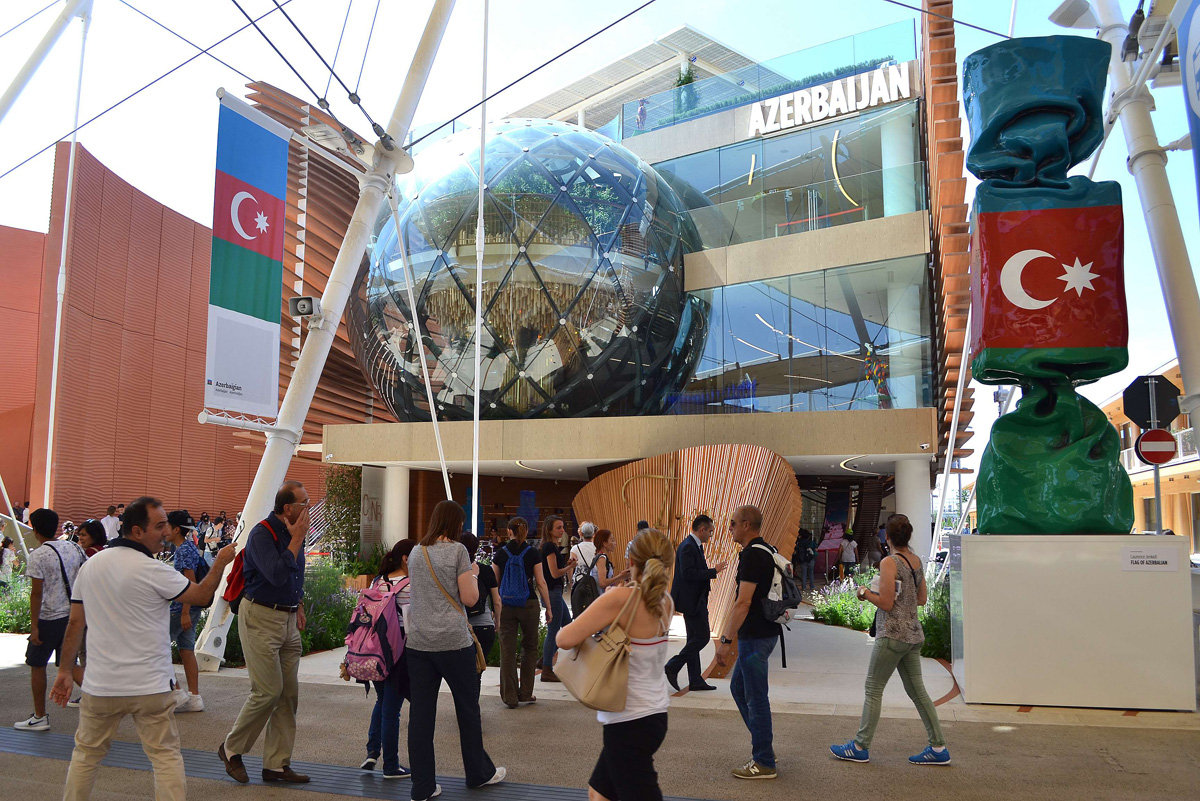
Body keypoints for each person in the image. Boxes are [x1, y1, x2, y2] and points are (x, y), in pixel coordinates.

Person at [50, 496, 236, 801]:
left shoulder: (91, 567)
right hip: (151, 687)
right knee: (165, 758)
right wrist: (220, 561)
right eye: (159, 525)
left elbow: (75, 625)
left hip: (101, 686)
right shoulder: (153, 571)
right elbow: (202, 595)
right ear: (137, 531)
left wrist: (65, 671)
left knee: (85, 755)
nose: (165, 531)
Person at [557, 528, 676, 801]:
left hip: (628, 723)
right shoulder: (665, 602)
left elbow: (565, 638)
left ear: (631, 561)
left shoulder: (620, 599)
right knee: (598, 794)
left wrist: (609, 599)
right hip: (654, 715)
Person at [831, 514, 950, 765]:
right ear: (908, 535)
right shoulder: (916, 560)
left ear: (887, 536)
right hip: (913, 634)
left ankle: (860, 746)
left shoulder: (889, 562)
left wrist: (864, 593)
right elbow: (921, 599)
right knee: (918, 692)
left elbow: (885, 602)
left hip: (892, 635)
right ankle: (938, 747)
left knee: (873, 690)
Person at [406, 500, 505, 801]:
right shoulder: (459, 552)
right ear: (457, 524)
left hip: (419, 643)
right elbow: (471, 598)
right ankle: (478, 773)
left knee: (421, 716)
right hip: (453, 642)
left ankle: (422, 786)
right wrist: (473, 573)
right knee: (467, 709)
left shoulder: (415, 552)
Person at [219, 481, 311, 785]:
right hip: (260, 616)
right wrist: (296, 540)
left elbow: (294, 575)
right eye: (304, 504)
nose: (308, 509)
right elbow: (275, 572)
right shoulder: (262, 534)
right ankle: (231, 748)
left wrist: (298, 603)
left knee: (288, 694)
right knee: (268, 690)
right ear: (288, 508)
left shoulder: (292, 534)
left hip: (286, 618)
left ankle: (276, 764)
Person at [715, 504, 780, 780]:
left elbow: (743, 603)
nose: (729, 528)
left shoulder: (752, 555)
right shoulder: (768, 550)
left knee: (755, 697)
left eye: (732, 523)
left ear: (746, 525)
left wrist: (726, 640)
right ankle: (763, 747)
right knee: (740, 688)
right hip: (766, 632)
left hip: (755, 636)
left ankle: (764, 761)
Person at [15, 507, 86, 732]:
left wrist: (34, 626)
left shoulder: (38, 555)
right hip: (75, 615)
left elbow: (37, 593)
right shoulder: (74, 547)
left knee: (37, 664)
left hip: (49, 617)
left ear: (35, 529)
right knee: (70, 663)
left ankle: (40, 716)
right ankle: (103, 704)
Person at [362, 538, 415, 779]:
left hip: (375, 651)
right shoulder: (410, 585)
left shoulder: (377, 581)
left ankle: (373, 752)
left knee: (382, 702)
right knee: (392, 709)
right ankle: (391, 766)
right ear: (406, 558)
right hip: (398, 652)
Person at [665, 514, 727, 692]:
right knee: (702, 637)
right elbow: (688, 573)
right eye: (710, 531)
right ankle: (673, 665)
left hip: (694, 599)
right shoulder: (688, 547)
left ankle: (695, 679)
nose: (710, 535)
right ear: (702, 530)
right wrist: (712, 571)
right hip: (691, 601)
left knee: (694, 638)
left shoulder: (693, 545)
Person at [493, 517, 550, 708]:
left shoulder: (500, 553)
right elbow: (541, 582)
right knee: (530, 647)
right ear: (526, 531)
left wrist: (495, 608)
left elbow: (495, 583)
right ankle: (525, 693)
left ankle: (510, 697)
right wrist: (548, 607)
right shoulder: (533, 553)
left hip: (507, 605)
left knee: (507, 650)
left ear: (509, 531)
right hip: (529, 603)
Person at [164, 511, 206, 713]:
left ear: (176, 529)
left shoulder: (182, 551)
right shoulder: (190, 547)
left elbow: (190, 581)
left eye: (166, 526)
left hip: (182, 608)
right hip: (191, 608)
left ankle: (177, 692)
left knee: (158, 647)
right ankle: (194, 697)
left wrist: (184, 612)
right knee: (186, 649)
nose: (164, 530)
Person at [539, 515, 577, 683]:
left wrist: (566, 564)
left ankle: (544, 660)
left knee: (567, 626)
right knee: (554, 630)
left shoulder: (551, 546)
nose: (562, 530)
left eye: (563, 527)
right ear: (549, 530)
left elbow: (553, 570)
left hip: (553, 591)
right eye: (558, 528)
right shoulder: (549, 547)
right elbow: (554, 573)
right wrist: (569, 567)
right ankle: (547, 668)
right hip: (552, 591)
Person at [461, 532, 500, 661]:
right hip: (484, 626)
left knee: (464, 671)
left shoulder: (455, 571)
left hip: (462, 627)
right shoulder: (486, 570)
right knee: (478, 670)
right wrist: (497, 620)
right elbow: (497, 600)